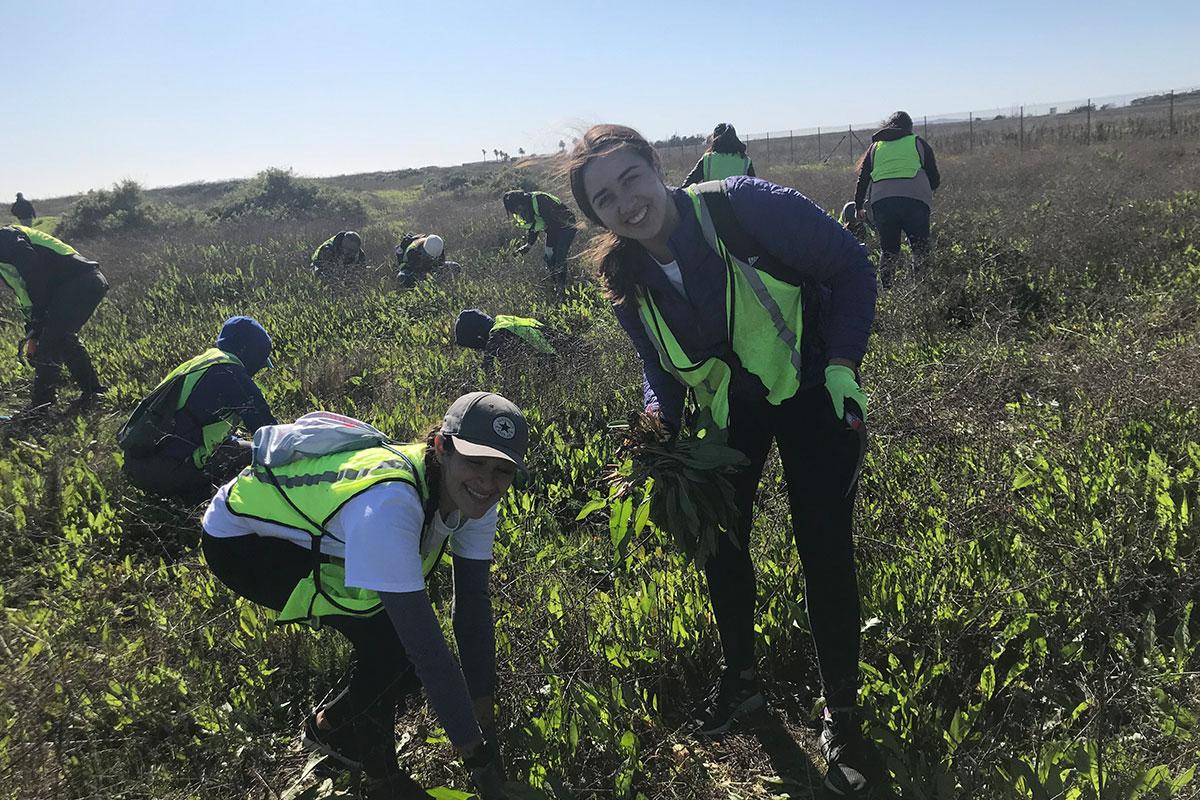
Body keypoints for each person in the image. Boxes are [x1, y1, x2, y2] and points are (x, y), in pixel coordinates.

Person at [566, 125, 879, 796]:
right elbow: (661, 370)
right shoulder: (627, 282)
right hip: (733, 412)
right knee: (720, 540)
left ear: (657, 167)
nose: (626, 203)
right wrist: (657, 432)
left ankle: (843, 715)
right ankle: (743, 685)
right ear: (595, 216)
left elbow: (852, 267)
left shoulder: (744, 207)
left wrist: (846, 365)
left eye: (630, 180)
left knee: (822, 544)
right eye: (605, 198)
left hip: (812, 385)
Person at [201, 392, 526, 799]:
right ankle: (382, 779)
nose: (487, 481)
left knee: (395, 652)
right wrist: (479, 761)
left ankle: (330, 728)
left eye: (502, 470)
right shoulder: (392, 505)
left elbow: (473, 604)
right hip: (246, 539)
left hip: (310, 526)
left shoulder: (476, 496)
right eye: (474, 461)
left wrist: (483, 703)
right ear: (443, 448)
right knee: (394, 649)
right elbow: (427, 652)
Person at [120, 316, 277, 503]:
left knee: (236, 446)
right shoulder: (231, 373)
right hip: (164, 474)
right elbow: (270, 433)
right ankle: (198, 500)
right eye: (259, 363)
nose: (257, 371)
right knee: (255, 455)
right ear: (249, 353)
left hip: (136, 465)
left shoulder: (202, 363)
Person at [0, 225, 108, 414]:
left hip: (82, 282)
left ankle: (41, 407)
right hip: (69, 288)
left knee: (51, 342)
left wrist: (38, 333)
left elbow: (37, 279)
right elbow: (26, 295)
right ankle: (94, 393)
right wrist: (32, 334)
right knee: (63, 338)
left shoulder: (7, 239)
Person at [853, 111, 940, 288]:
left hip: (882, 205)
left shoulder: (875, 147)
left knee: (889, 251)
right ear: (909, 128)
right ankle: (922, 291)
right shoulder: (918, 143)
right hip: (915, 202)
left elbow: (863, 179)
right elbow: (934, 177)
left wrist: (858, 206)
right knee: (920, 249)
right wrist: (926, 191)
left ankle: (887, 290)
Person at [502, 190, 577, 293]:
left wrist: (552, 247)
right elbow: (535, 226)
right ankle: (556, 284)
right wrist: (528, 245)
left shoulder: (540, 200)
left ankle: (561, 288)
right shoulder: (526, 206)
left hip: (566, 226)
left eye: (517, 209)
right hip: (553, 229)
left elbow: (551, 224)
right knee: (549, 257)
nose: (518, 212)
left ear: (520, 202)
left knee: (559, 256)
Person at [453, 309, 556, 376]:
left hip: (551, 359)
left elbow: (488, 369)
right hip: (556, 345)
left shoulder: (497, 335)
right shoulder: (502, 320)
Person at [682, 123, 756, 187]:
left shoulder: (708, 159)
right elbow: (754, 188)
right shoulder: (745, 161)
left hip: (711, 203)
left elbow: (687, 185)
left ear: (715, 140)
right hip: (738, 203)